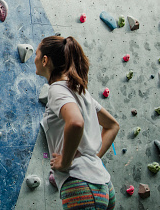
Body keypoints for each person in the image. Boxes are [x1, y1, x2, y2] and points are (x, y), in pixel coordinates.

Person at [35, 36, 119, 209]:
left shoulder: (57, 89)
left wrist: (65, 162)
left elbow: (75, 123)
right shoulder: (80, 91)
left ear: (45, 60)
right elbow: (112, 126)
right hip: (101, 184)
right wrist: (90, 158)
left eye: (36, 54)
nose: (34, 59)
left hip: (81, 184)